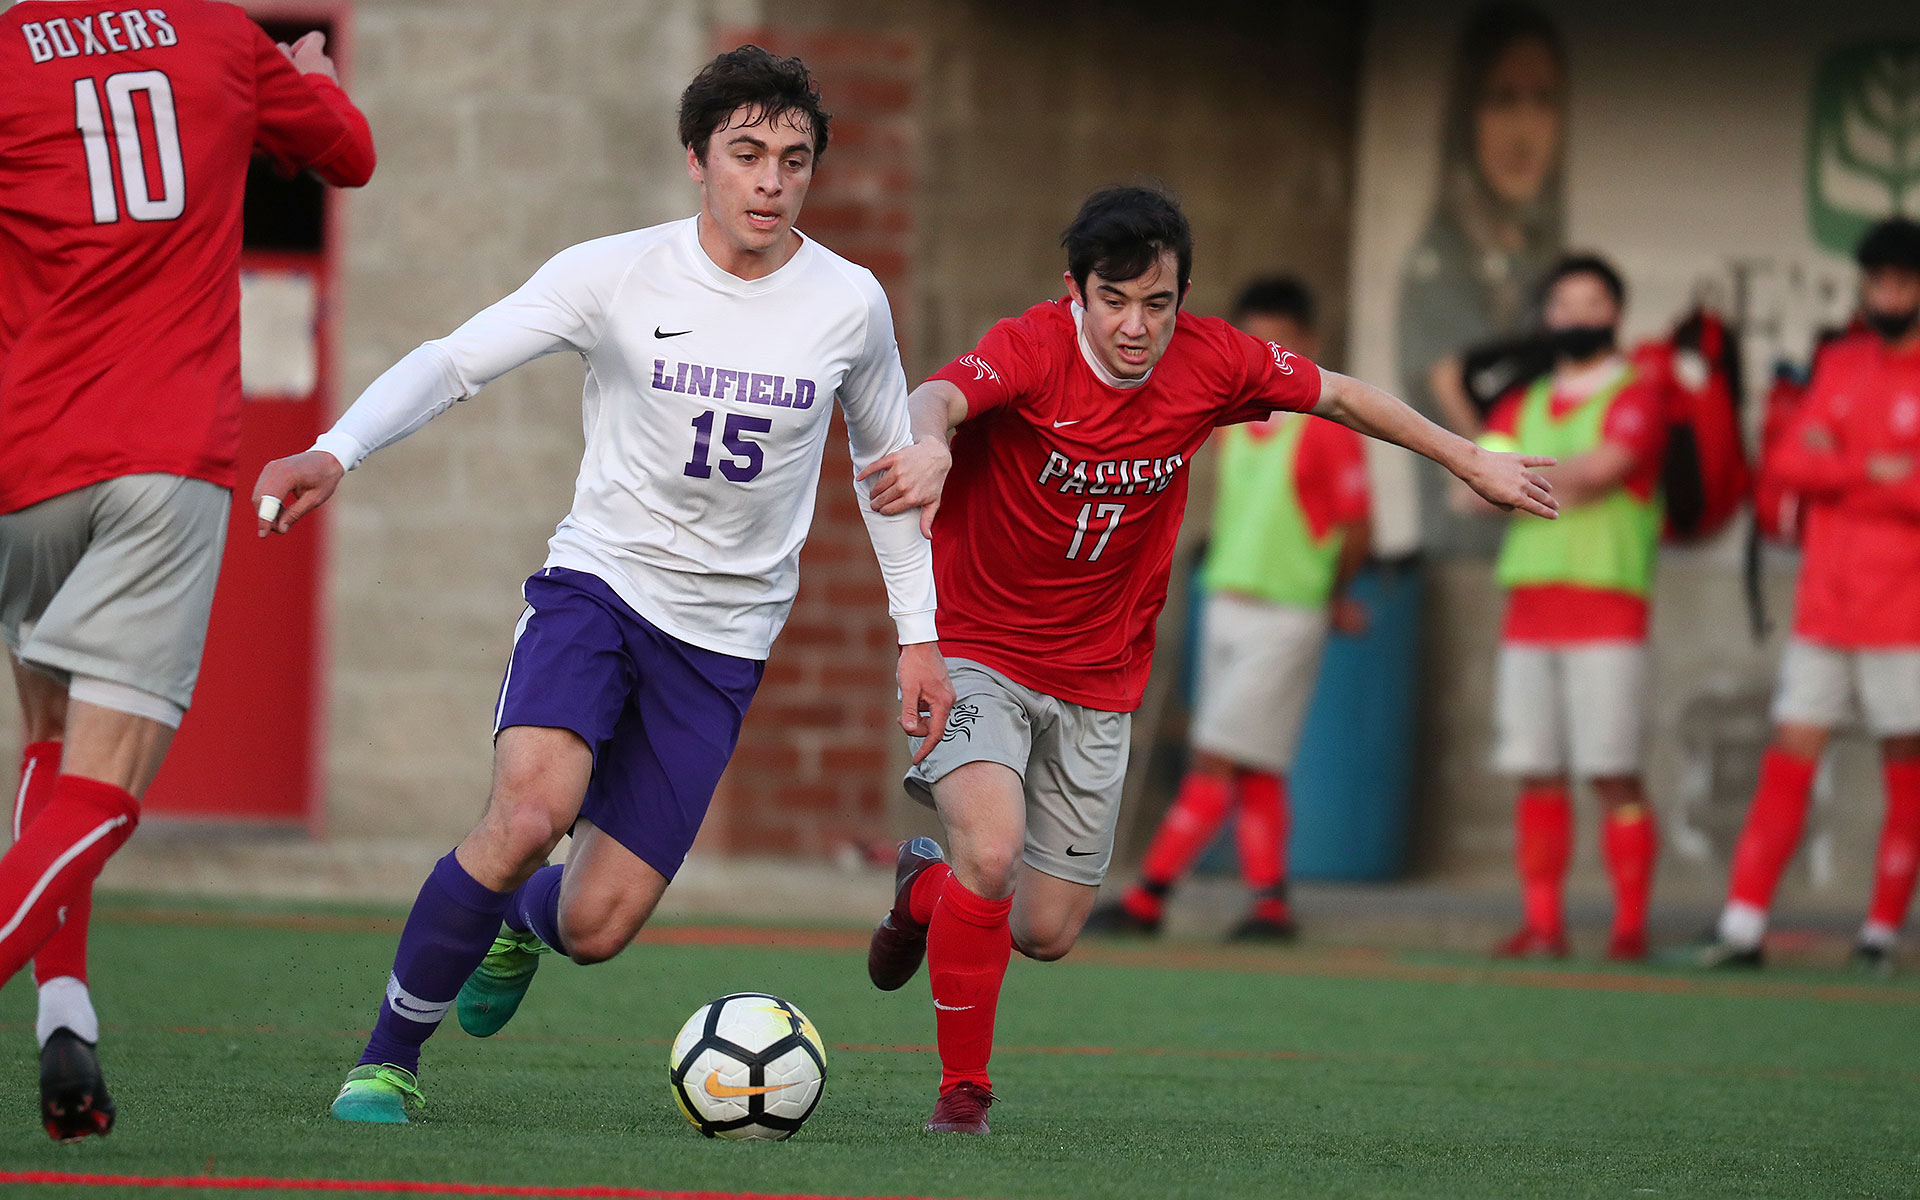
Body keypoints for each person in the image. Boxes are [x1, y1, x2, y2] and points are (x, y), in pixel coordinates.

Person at [251, 45, 951, 1125]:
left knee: (599, 925)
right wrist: (335, 449)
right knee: (531, 810)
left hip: (722, 642)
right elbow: (453, 361)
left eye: (794, 159)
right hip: (600, 590)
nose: (770, 180)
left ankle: (522, 925)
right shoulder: (615, 272)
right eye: (747, 153)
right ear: (697, 160)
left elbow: (885, 472)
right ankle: (387, 1061)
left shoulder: (850, 304)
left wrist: (919, 634)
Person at [855, 185, 1556, 1134]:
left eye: (1159, 302)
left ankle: (922, 890)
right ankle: (963, 1094)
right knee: (993, 848)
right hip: (980, 647)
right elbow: (938, 394)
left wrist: (1469, 459)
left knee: (1047, 931)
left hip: (1101, 674)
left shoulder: (1215, 360)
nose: (1137, 326)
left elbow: (1342, 395)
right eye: (1114, 300)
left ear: (1184, 297)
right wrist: (931, 446)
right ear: (1076, 290)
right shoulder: (1031, 346)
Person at [0, 5, 374, 1141]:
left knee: (50, 748)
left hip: (27, 458)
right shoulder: (222, 39)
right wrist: (302, 77)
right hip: (161, 458)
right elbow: (350, 153)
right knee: (105, 793)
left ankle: (66, 1014)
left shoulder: (10, 50)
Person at [1085, 278, 1371, 942]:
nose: (1266, 353)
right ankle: (1271, 903)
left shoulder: (1324, 429)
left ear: (1307, 345)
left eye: (1280, 340)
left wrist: (1332, 599)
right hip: (1228, 601)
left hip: (1287, 611)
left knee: (1217, 755)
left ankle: (1151, 895)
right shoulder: (1237, 419)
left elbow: (1359, 528)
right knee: (1254, 760)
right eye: (1255, 339)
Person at [1690, 218, 1920, 974]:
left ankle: (1880, 934)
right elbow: (1789, 463)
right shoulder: (1843, 361)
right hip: (1826, 602)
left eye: (1902, 282)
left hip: (1905, 610)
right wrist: (1874, 473)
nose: (1887, 295)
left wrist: (1847, 467)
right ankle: (1744, 924)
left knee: (1905, 764)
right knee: (1790, 754)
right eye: (1877, 282)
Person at [1457, 254, 1665, 962]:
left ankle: (1629, 925)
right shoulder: (1524, 400)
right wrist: (1531, 480)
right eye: (1564, 303)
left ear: (1617, 312)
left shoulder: (1639, 392)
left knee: (1612, 770)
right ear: (1547, 317)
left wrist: (1512, 480)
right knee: (1536, 767)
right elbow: (1466, 490)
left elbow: (1608, 470)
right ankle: (1543, 924)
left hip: (1607, 603)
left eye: (1593, 302)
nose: (1577, 315)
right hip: (1530, 605)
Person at [1397, 1, 1566, 555]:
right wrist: (1510, 475)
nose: (1525, 130)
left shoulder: (1539, 252)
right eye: (1503, 100)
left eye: (1543, 101)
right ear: (1467, 116)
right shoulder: (1440, 263)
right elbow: (1457, 401)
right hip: (1469, 543)